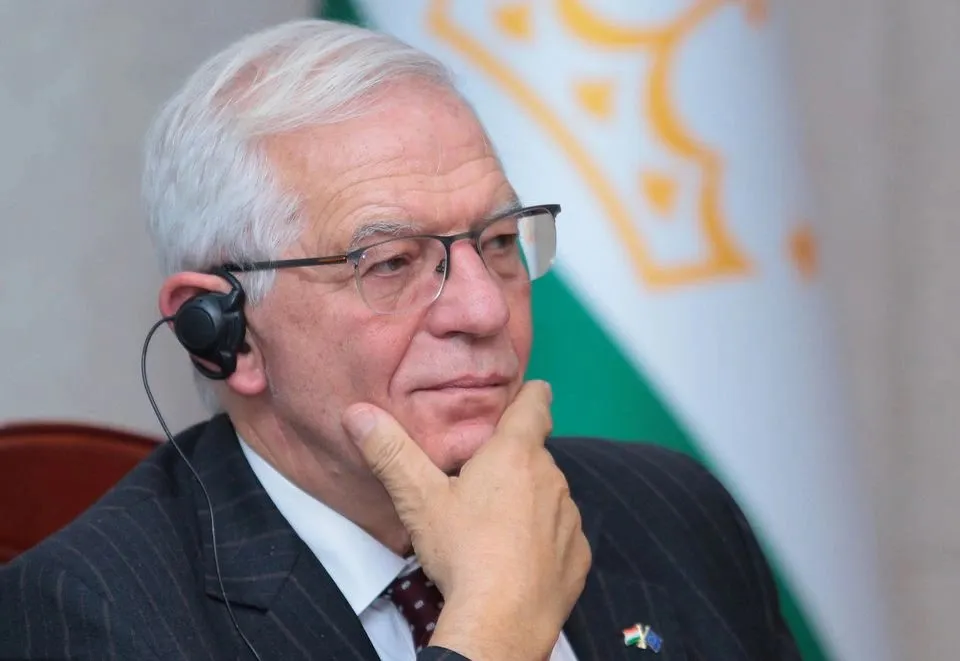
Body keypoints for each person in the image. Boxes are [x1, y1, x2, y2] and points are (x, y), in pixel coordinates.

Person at [0, 19, 800, 661]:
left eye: (497, 242)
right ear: (223, 332)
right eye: (390, 262)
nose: (483, 309)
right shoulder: (90, 614)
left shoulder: (670, 510)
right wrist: (492, 634)